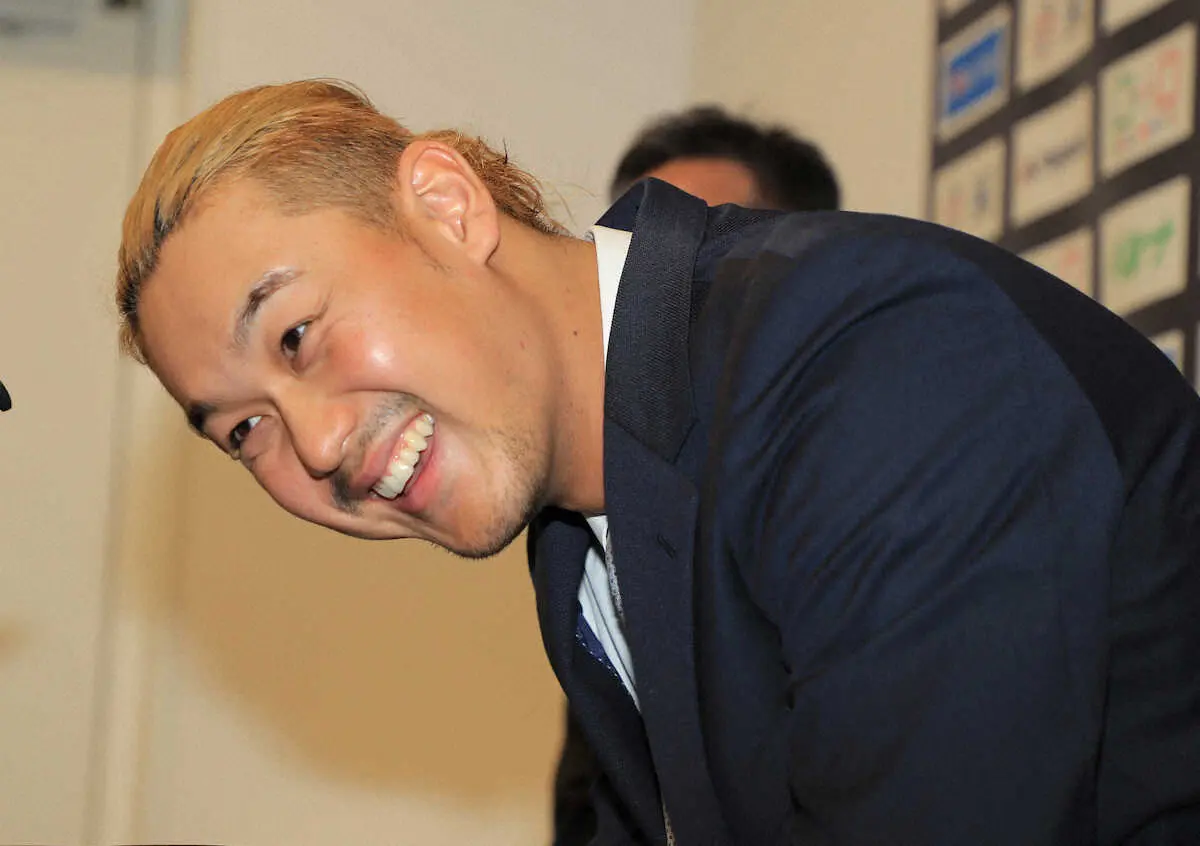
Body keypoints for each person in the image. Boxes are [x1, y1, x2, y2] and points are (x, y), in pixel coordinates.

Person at [115, 80, 1200, 845]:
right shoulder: (582, 539)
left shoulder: (864, 360)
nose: (313, 447)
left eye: (296, 334)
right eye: (242, 431)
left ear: (446, 207)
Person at [554, 105, 841, 846]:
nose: (655, 286)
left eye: (703, 240)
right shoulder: (592, 556)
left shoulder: (857, 502)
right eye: (630, 252)